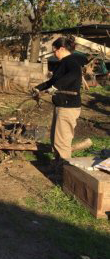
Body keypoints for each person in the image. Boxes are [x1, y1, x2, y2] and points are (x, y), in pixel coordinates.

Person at [32, 36, 88, 164]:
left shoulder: (71, 61)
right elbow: (52, 81)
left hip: (68, 107)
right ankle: (58, 165)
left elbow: (74, 75)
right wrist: (38, 88)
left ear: (62, 48)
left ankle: (64, 171)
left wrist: (56, 87)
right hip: (61, 105)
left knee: (62, 141)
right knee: (56, 139)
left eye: (54, 50)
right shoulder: (62, 63)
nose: (54, 53)